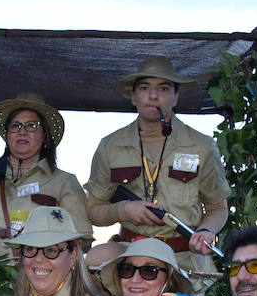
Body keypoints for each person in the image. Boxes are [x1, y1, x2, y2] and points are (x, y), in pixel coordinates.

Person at [83, 55, 230, 271]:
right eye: (144, 88)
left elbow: (218, 207)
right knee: (95, 260)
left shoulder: (202, 146)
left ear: (176, 97)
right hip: (130, 252)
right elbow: (94, 211)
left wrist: (206, 231)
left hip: (182, 257)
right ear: (133, 96)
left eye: (163, 88)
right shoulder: (110, 146)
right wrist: (123, 210)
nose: (153, 96)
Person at [0, 93, 89, 260]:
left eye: (32, 125)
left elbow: (81, 241)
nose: (22, 131)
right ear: (7, 135)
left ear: (45, 135)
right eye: (15, 126)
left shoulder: (64, 182)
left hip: (39, 271)